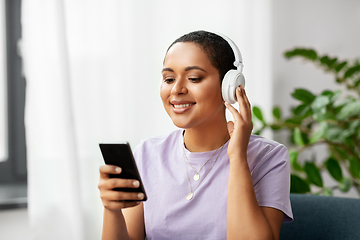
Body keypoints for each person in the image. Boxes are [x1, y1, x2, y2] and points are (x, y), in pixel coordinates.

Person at [98, 30, 293, 240]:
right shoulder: (147, 153)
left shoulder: (269, 157)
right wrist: (112, 209)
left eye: (194, 78)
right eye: (169, 78)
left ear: (230, 86)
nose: (177, 89)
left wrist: (237, 157)